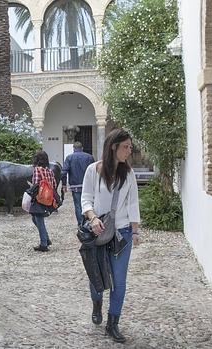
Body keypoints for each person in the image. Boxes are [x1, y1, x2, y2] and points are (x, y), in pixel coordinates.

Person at [80, 128, 140, 343]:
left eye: (130, 147)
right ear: (113, 147)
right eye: (126, 147)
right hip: (98, 231)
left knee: (119, 281)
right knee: (96, 276)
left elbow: (133, 203)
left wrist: (134, 230)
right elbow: (85, 199)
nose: (129, 151)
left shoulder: (129, 173)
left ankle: (112, 324)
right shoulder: (92, 170)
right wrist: (93, 218)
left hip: (122, 233)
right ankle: (97, 304)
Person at [62, 141, 95, 226]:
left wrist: (64, 184)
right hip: (89, 186)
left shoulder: (69, 158)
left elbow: (64, 172)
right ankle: (90, 222)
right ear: (82, 148)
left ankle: (81, 225)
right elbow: (95, 171)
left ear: (73, 148)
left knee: (78, 206)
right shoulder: (90, 157)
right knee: (89, 204)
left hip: (75, 186)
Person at [30, 150, 56, 252]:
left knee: (39, 220)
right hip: (48, 197)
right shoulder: (50, 171)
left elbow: (35, 184)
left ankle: (43, 244)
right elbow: (53, 184)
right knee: (35, 218)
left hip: (39, 198)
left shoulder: (37, 170)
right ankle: (47, 239)